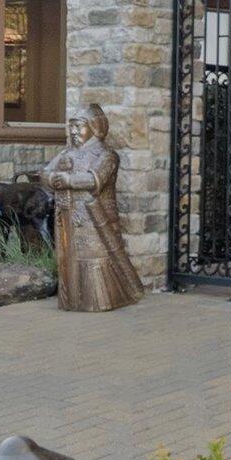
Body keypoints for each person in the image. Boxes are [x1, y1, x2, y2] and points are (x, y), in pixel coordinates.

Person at [42, 104, 140, 312]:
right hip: (67, 215)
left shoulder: (106, 155)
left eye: (79, 126)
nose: (74, 132)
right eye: (72, 127)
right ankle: (73, 300)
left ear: (95, 127)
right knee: (70, 257)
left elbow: (95, 179)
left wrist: (68, 179)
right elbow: (45, 172)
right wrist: (52, 178)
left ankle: (100, 300)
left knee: (93, 257)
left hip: (93, 218)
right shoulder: (66, 153)